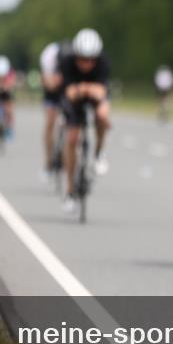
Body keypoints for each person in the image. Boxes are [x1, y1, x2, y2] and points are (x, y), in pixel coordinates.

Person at [59, 28, 112, 213]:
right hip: (74, 100)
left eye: (91, 60)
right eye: (82, 59)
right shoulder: (66, 63)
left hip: (92, 96)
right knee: (72, 138)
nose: (86, 64)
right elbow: (69, 93)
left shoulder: (103, 63)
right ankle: (69, 190)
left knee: (103, 115)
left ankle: (99, 152)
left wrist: (86, 89)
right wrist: (85, 89)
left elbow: (102, 92)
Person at [39, 40, 67, 181]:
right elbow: (46, 82)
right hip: (52, 92)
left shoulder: (74, 61)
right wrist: (54, 82)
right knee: (50, 122)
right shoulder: (48, 57)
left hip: (68, 89)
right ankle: (48, 162)